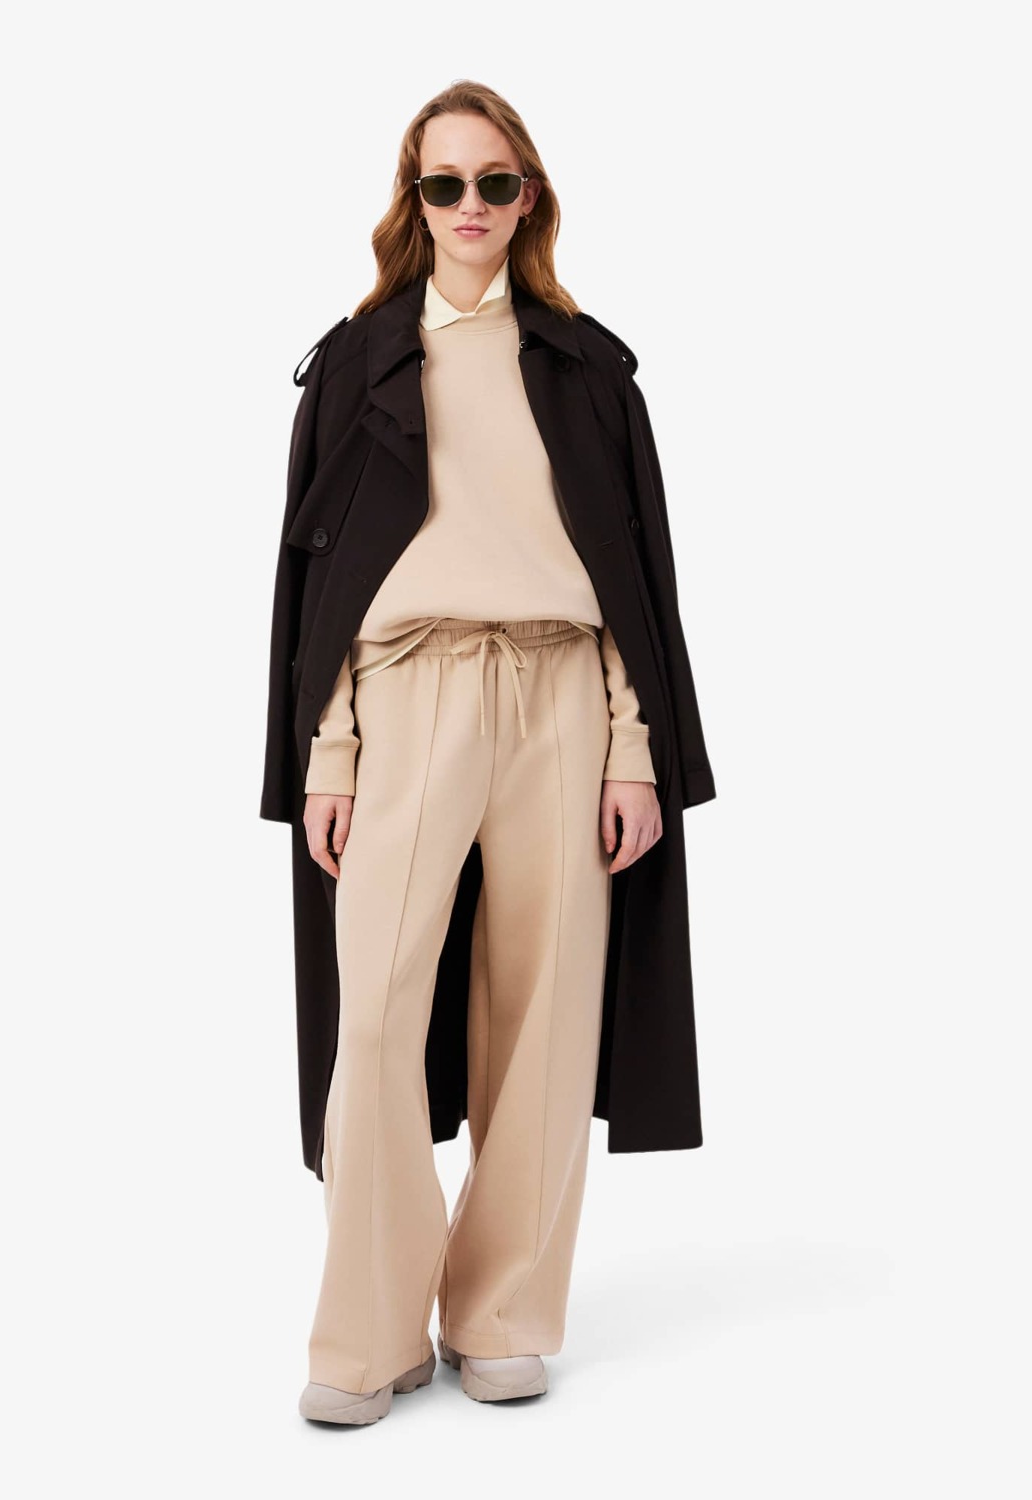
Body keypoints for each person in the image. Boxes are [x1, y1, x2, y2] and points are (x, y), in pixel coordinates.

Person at [267, 82, 712, 1426]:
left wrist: (632, 747)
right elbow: (319, 583)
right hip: (408, 693)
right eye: (443, 184)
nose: (470, 206)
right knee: (376, 1015)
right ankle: (368, 1333)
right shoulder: (360, 362)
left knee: (548, 1012)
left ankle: (504, 1312)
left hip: (563, 693)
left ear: (531, 199)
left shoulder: (586, 368)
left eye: (495, 182)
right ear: (413, 203)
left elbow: (633, 580)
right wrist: (328, 753)